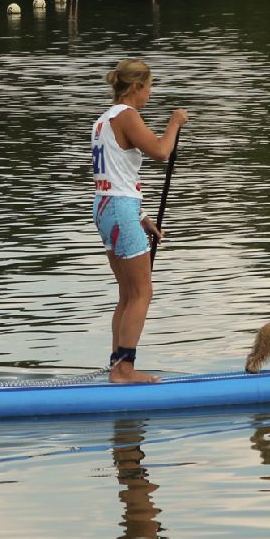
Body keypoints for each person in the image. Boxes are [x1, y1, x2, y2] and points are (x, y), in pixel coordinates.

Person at [91, 58, 189, 383]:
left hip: (107, 208)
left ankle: (116, 364)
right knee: (142, 293)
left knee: (127, 293)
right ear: (136, 87)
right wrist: (174, 123)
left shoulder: (103, 119)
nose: (150, 93)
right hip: (119, 209)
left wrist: (143, 216)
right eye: (149, 87)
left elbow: (115, 175)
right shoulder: (127, 115)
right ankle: (125, 369)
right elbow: (162, 151)